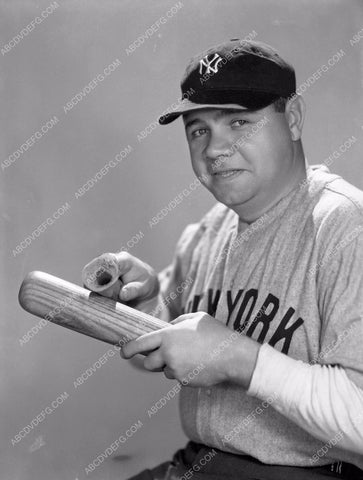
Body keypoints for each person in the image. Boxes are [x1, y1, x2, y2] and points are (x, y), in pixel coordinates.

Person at [84, 39, 363, 479]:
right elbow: (164, 354)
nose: (215, 148)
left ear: (291, 118)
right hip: (198, 463)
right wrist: (143, 306)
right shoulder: (210, 230)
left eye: (239, 122)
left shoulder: (346, 227)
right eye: (199, 130)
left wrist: (237, 357)